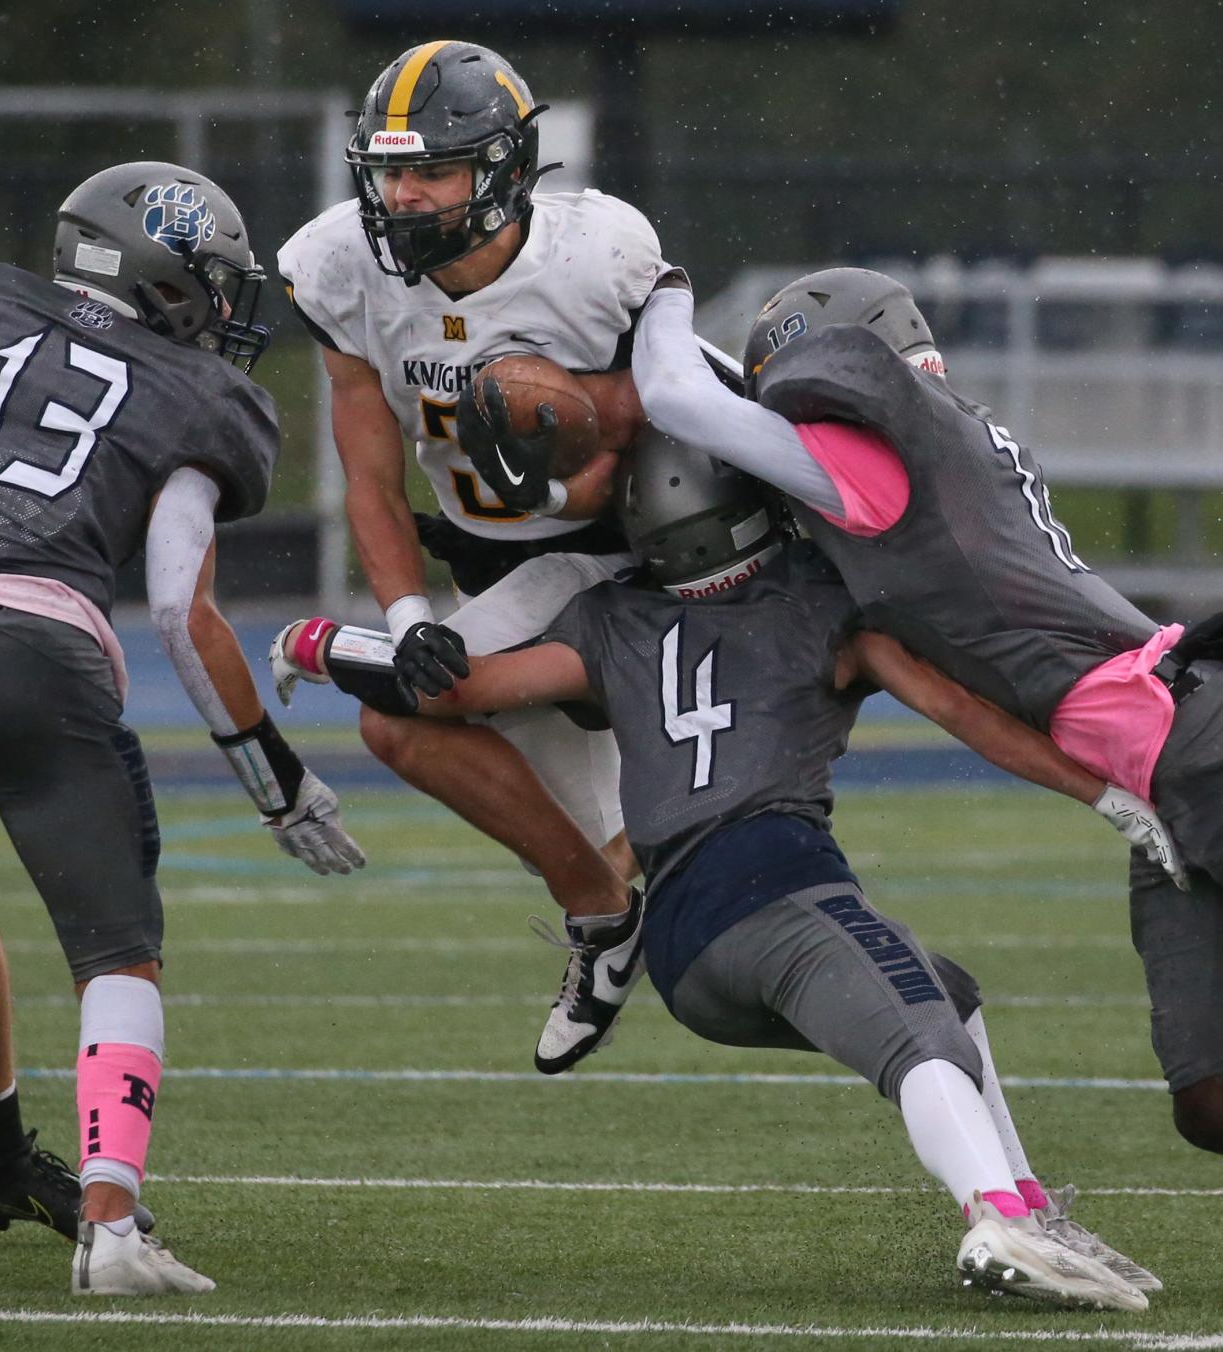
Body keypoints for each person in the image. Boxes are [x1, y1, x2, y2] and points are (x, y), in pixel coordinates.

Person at [272, 434, 1167, 1308]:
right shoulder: (821, 602)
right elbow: (963, 710)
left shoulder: (614, 616)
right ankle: (997, 1216)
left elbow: (452, 687)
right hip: (773, 886)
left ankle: (1033, 1213)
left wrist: (318, 642)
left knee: (948, 998)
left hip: (685, 948)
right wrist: (1102, 794)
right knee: (920, 1029)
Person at [628, 264, 1223, 1153]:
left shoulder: (882, 461)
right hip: (1157, 775)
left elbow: (678, 394)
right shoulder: (938, 444)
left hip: (1194, 745)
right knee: (1207, 1100)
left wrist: (656, 288)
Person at [0, 161, 364, 1296]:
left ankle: (3, 1157)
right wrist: (276, 779)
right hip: (33, 650)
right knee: (115, 950)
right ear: (164, 277)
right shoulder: (201, 397)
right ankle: (109, 1222)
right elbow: (181, 613)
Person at [276, 39, 678, 1070]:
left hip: (621, 555)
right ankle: (607, 904)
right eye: (389, 171)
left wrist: (563, 475)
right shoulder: (338, 263)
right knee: (628, 853)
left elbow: (659, 423)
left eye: (433, 170)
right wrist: (410, 617)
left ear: (502, 170)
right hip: (487, 567)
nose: (404, 196)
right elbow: (371, 475)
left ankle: (598, 916)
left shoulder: (603, 257)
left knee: (400, 721)